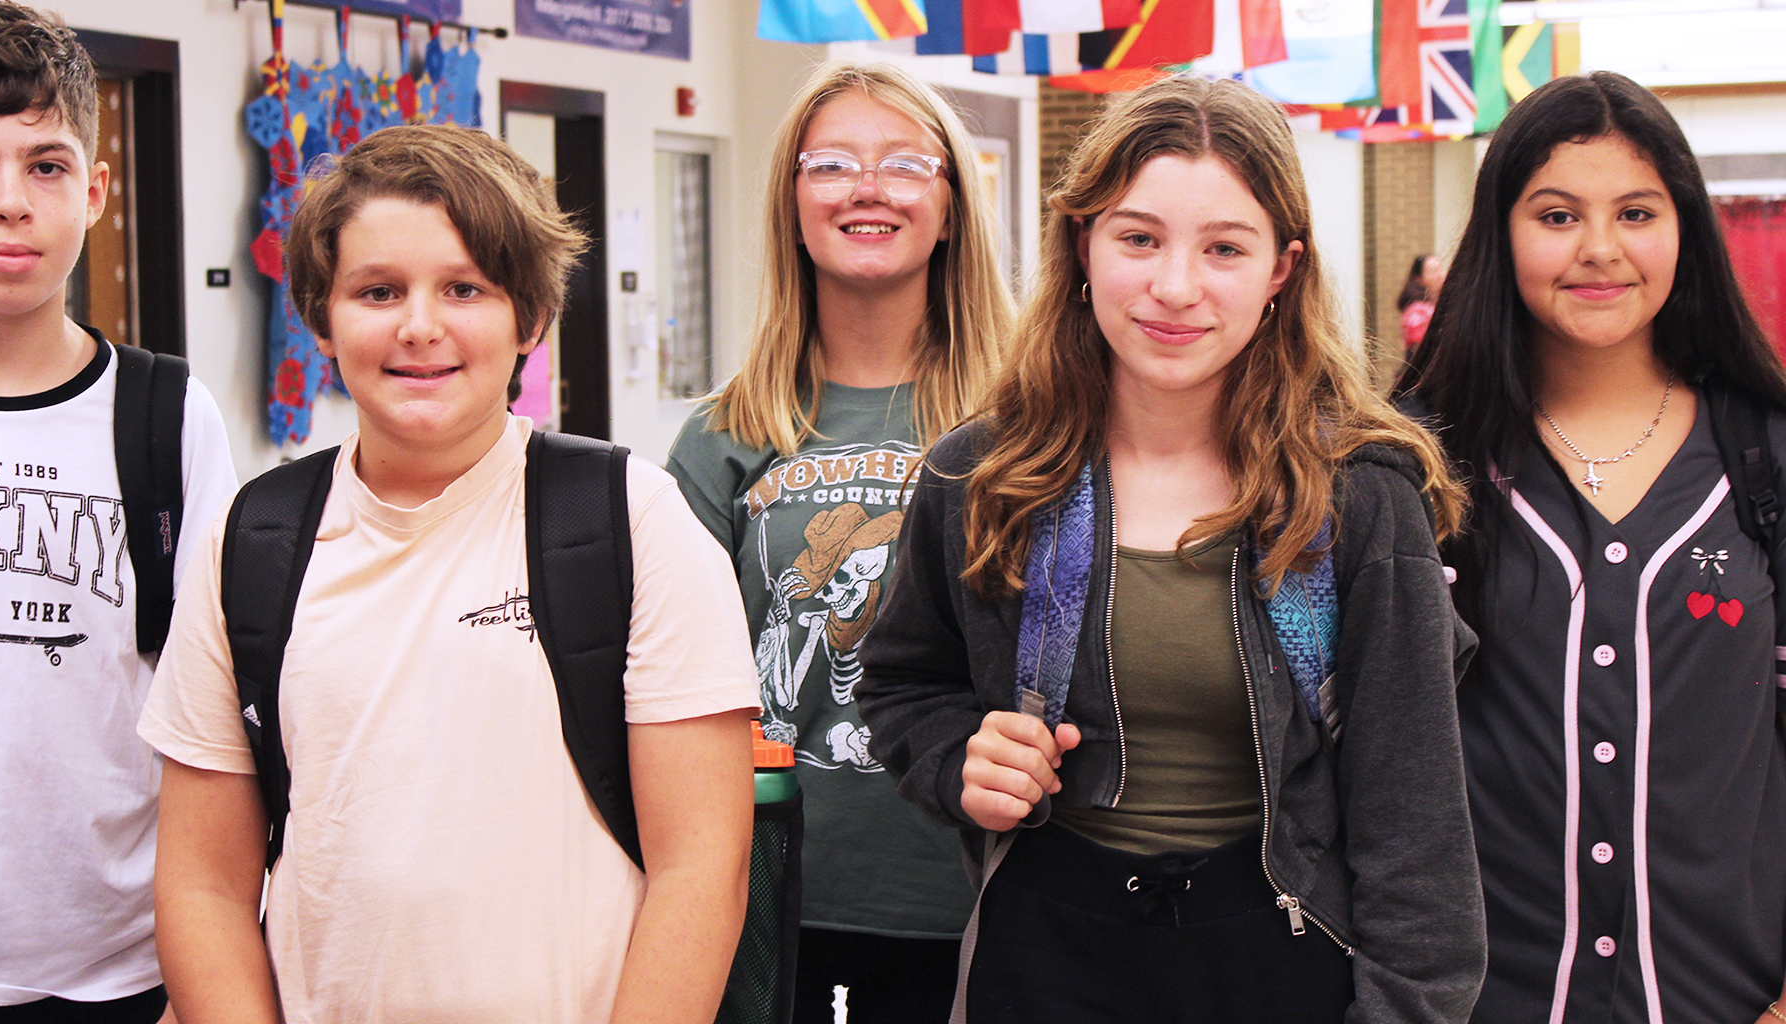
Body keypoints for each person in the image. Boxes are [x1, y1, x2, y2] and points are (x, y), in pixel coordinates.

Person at [855, 76, 1486, 1023]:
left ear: (1282, 269)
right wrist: (959, 759)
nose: (1176, 287)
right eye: (1138, 237)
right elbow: (903, 685)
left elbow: (1416, 825)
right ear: (1083, 245)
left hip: (1280, 949)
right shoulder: (981, 478)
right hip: (1043, 949)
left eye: (1225, 248)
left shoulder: (1357, 496)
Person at [140, 123, 759, 1024]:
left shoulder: (627, 519)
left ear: (530, 318)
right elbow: (202, 886)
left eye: (464, 288)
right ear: (322, 316)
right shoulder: (255, 538)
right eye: (378, 290)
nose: (419, 326)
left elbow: (703, 866)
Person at [0, 3, 239, 1021]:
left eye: (46, 165)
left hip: (126, 967)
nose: (10, 202)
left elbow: (225, 712)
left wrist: (200, 972)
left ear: (97, 190)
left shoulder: (171, 418)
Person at [1398, 71, 1786, 1024]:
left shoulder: (1764, 455)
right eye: (1559, 215)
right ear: (1503, 233)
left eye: (1638, 212)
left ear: (1686, 229)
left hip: (1725, 999)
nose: (1601, 250)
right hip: (1479, 1003)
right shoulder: (1412, 464)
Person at [666, 61, 1011, 1022]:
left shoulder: (1030, 426)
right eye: (831, 165)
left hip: (983, 899)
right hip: (778, 900)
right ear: (793, 204)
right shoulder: (723, 437)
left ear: (952, 207)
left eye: (906, 163)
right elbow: (673, 693)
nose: (868, 187)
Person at [1398, 253, 1445, 350]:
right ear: (1419, 279)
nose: (1439, 275)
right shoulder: (1417, 311)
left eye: (1440, 269)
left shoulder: (1440, 305)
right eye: (1433, 271)